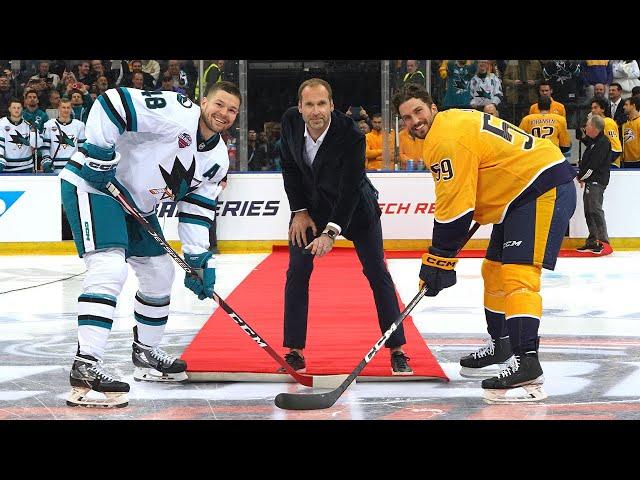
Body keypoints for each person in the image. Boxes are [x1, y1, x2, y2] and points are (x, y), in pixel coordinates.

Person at [58, 81, 240, 408]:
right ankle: (85, 364)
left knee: (159, 274)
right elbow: (112, 102)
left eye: (232, 110)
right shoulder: (176, 112)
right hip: (95, 186)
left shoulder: (217, 160)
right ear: (203, 102)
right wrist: (100, 155)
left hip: (136, 205)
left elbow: (196, 211)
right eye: (219, 104)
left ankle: (145, 352)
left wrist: (198, 261)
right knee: (109, 268)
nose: (224, 114)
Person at [393, 83, 576, 402]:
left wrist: (439, 258)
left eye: (418, 111)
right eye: (406, 117)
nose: (414, 121)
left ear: (432, 108)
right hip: (518, 194)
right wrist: (441, 259)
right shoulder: (451, 122)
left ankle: (527, 364)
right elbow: (466, 195)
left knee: (519, 277)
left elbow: (456, 209)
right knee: (493, 270)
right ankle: (503, 343)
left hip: (540, 188)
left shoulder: (443, 138)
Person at [279, 78, 412, 376]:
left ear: (332, 105)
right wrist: (298, 210)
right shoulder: (289, 122)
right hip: (310, 211)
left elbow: (350, 189)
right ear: (299, 108)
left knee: (377, 272)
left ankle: (398, 349)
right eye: (309, 104)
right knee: (297, 271)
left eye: (322, 103)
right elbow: (289, 166)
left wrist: (331, 232)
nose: (316, 111)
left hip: (355, 211)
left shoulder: (351, 134)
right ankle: (295, 351)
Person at [576, 115, 613, 255]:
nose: (585, 127)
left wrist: (581, 177)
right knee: (589, 211)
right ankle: (593, 240)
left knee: (595, 210)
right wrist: (584, 138)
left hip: (596, 181)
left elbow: (593, 165)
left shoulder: (603, 142)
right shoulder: (596, 142)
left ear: (594, 128)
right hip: (592, 181)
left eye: (587, 125)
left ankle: (603, 242)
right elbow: (591, 148)